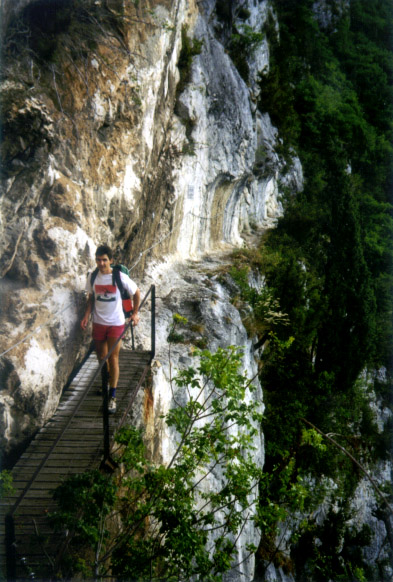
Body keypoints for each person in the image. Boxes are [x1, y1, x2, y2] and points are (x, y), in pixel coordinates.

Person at [81, 244, 140, 414]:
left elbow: (136, 292)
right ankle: (106, 382)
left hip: (116, 323)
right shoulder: (93, 277)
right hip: (99, 323)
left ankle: (112, 396)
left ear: (111, 260)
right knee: (101, 357)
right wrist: (86, 316)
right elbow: (90, 299)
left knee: (113, 357)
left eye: (104, 260)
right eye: (98, 260)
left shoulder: (119, 276)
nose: (101, 263)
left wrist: (135, 313)